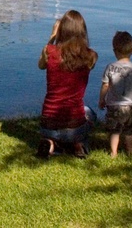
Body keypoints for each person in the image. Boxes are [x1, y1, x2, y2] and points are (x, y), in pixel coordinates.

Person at [37, 10, 98, 158]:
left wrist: (52, 38)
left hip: (48, 123)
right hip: (74, 125)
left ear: (61, 31)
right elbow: (87, 64)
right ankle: (78, 144)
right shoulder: (90, 56)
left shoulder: (49, 51)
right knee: (90, 113)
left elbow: (41, 65)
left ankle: (50, 143)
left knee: (52, 130)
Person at [98, 30, 132, 157]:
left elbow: (105, 85)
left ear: (115, 51)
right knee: (130, 132)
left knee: (115, 131)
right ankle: (130, 151)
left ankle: (113, 152)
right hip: (131, 105)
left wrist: (101, 100)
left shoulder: (110, 67)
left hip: (114, 105)